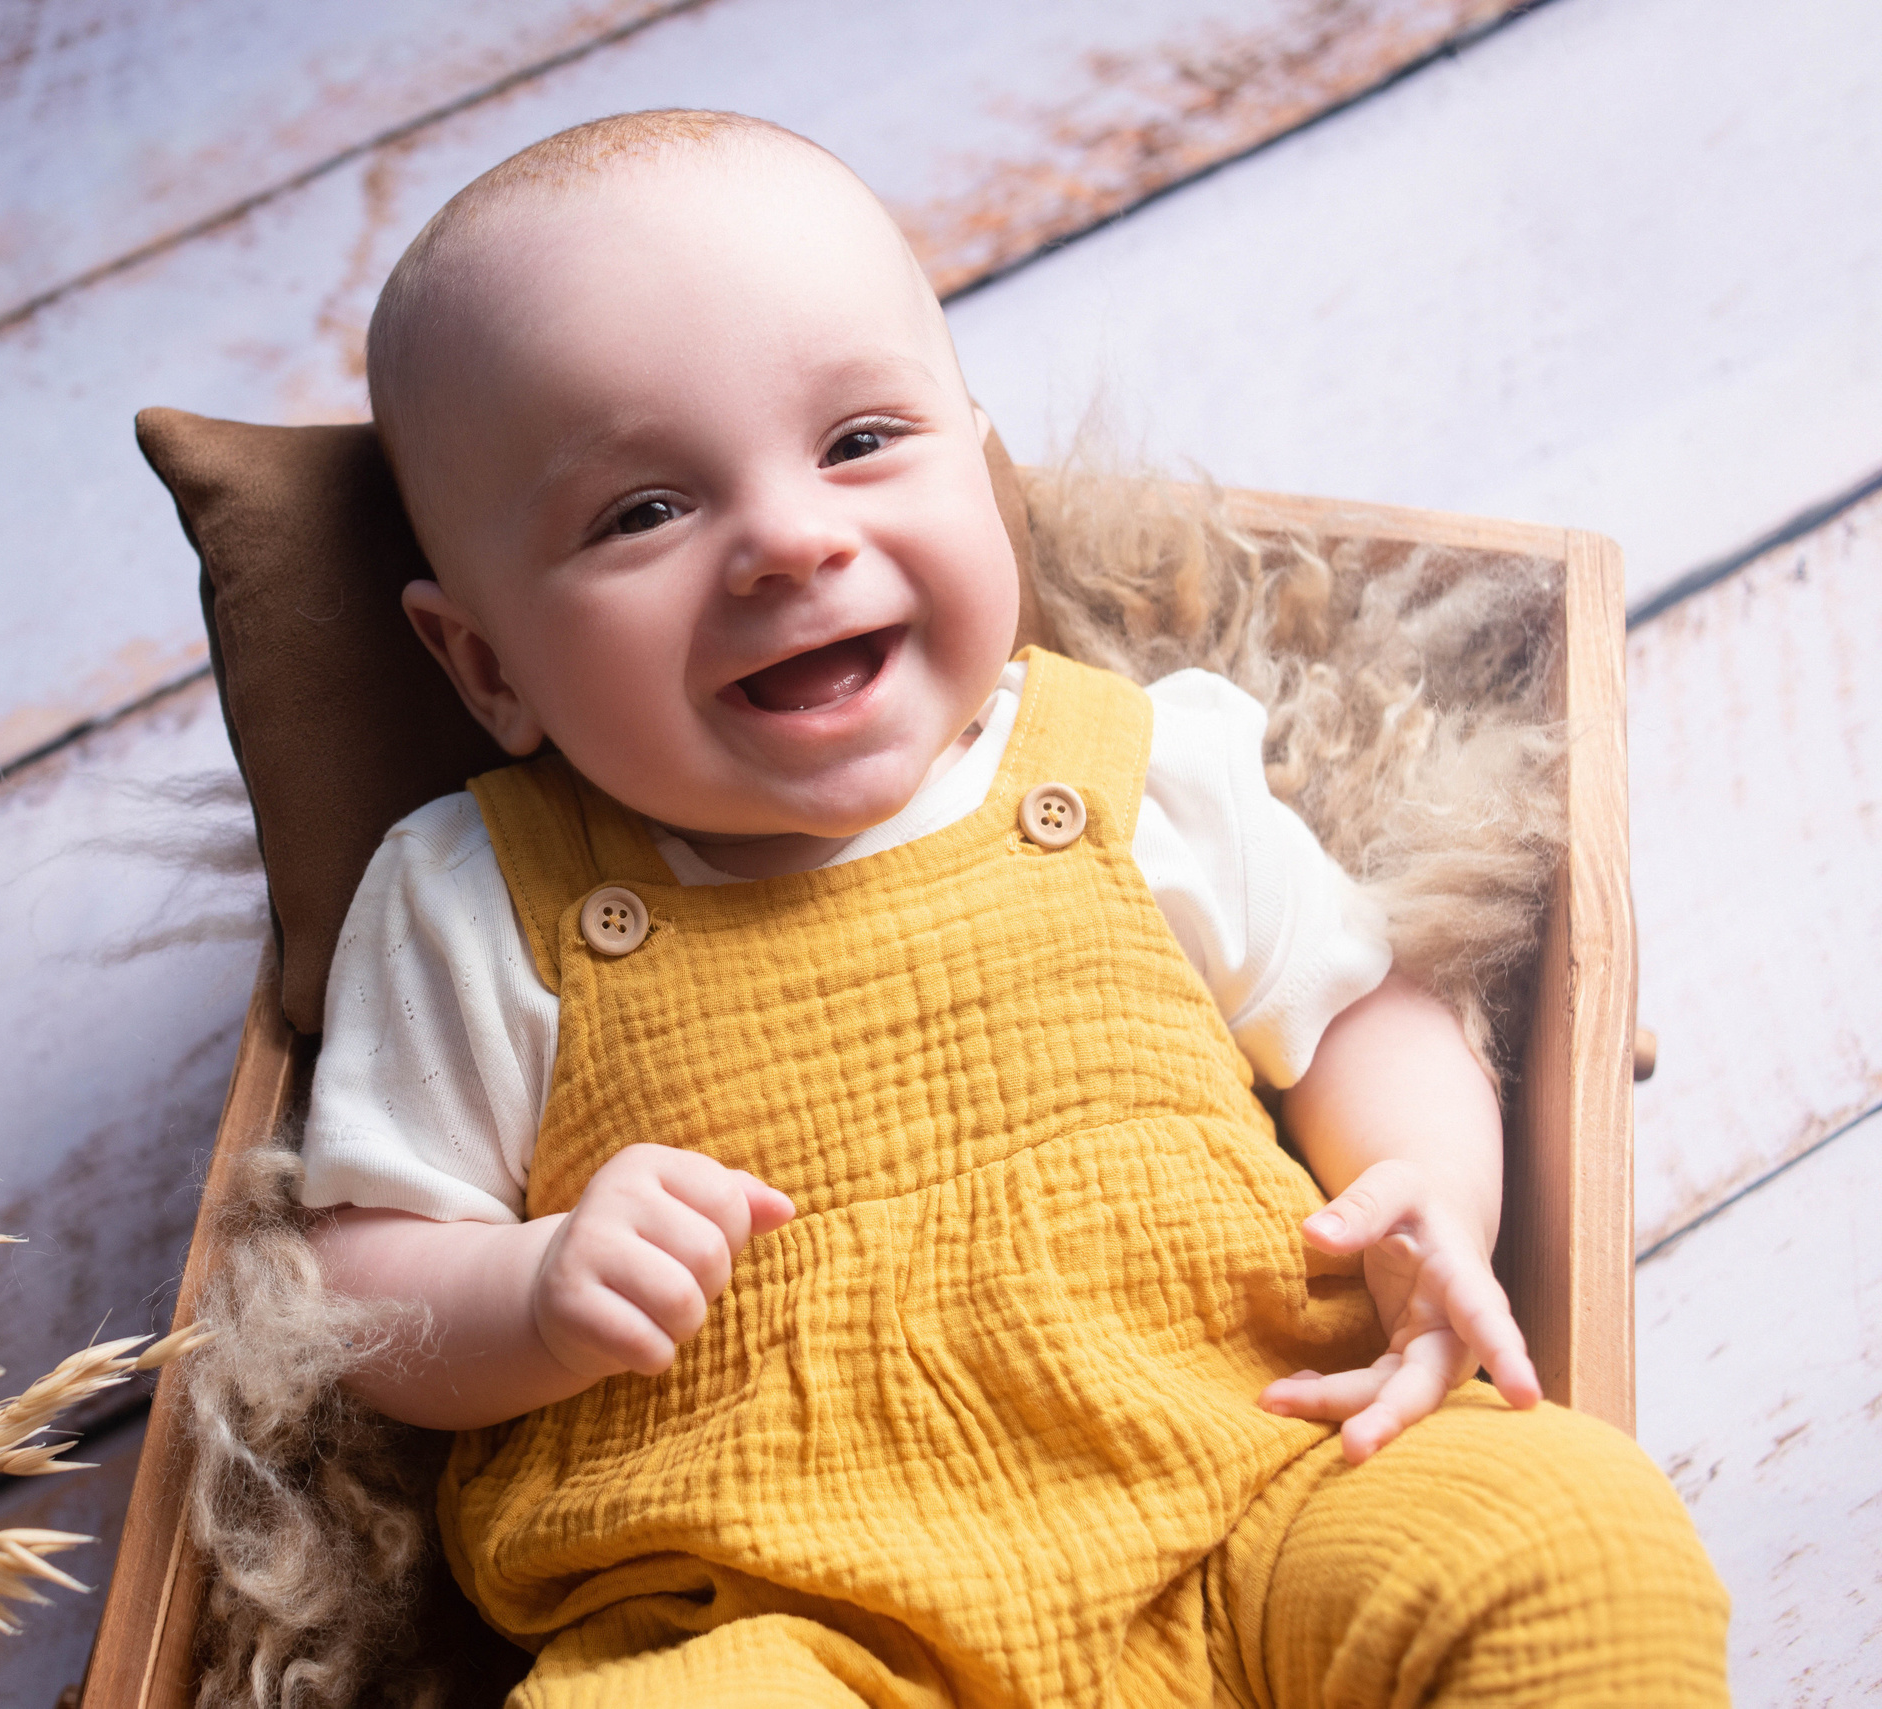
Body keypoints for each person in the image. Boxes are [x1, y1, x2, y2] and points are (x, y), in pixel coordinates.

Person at [298, 109, 1727, 1706]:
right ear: (485, 665)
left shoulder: (1138, 766)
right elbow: (351, 1284)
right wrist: (533, 1289)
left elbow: (1362, 1003)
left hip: (1262, 1490)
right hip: (779, 1618)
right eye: (643, 510)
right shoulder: (477, 894)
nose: (788, 537)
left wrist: (1432, 1190)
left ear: (982, 473)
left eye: (858, 443)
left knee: (1572, 1537)